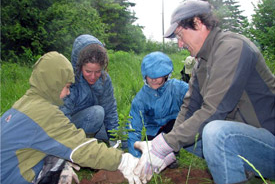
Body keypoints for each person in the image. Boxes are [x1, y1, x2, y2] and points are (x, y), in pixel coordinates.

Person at [133, 0, 275, 184]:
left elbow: (215, 110)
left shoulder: (232, 48)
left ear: (198, 23)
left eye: (180, 35)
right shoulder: (202, 61)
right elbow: (189, 106)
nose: (179, 44)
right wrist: (169, 148)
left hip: (269, 140)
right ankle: (240, 171)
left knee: (216, 133)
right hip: (248, 139)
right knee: (187, 138)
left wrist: (162, 145)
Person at [0, 51, 141, 184]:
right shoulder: (44, 113)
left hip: (12, 170)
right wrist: (124, 161)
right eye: (67, 86)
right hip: (12, 179)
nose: (68, 92)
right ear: (54, 84)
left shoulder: (24, 103)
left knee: (58, 154)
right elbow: (83, 149)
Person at [60, 34, 120, 146]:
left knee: (119, 133)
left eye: (97, 71)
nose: (93, 77)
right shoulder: (68, 79)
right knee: (97, 113)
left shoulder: (104, 79)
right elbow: (62, 115)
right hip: (69, 124)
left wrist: (116, 140)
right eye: (88, 71)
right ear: (79, 65)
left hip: (93, 122)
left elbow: (110, 110)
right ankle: (82, 146)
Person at [127, 51, 189, 158]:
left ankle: (173, 152)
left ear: (166, 75)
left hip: (174, 128)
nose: (154, 80)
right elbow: (134, 128)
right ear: (144, 76)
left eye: (158, 76)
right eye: (150, 76)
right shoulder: (141, 98)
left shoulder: (177, 88)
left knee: (171, 131)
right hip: (154, 130)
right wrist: (135, 157)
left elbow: (197, 97)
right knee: (151, 154)